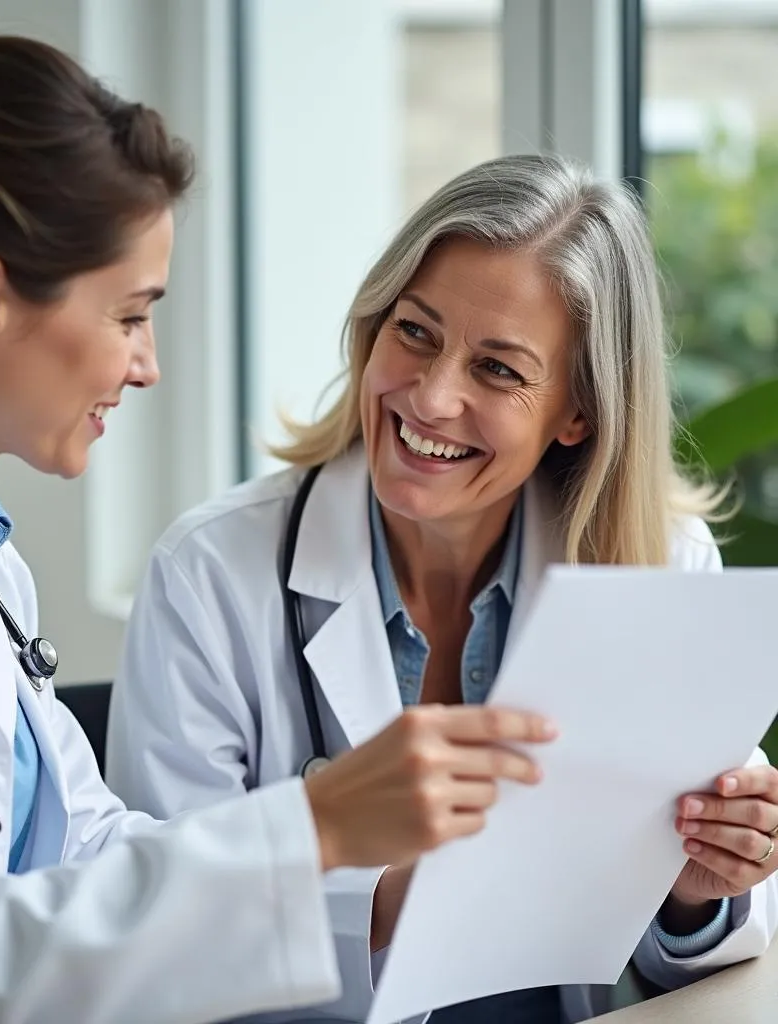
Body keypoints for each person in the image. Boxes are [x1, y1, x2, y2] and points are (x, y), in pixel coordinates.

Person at [0, 41, 563, 1024]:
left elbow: (83, 845)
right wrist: (315, 822)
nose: (146, 366)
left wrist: (373, 890)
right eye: (131, 315)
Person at [107, 154, 778, 1023]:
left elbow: (701, 960)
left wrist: (696, 888)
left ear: (578, 411)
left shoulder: (661, 567)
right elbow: (156, 934)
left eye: (498, 370)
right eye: (416, 332)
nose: (430, 397)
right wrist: (385, 900)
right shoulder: (210, 576)